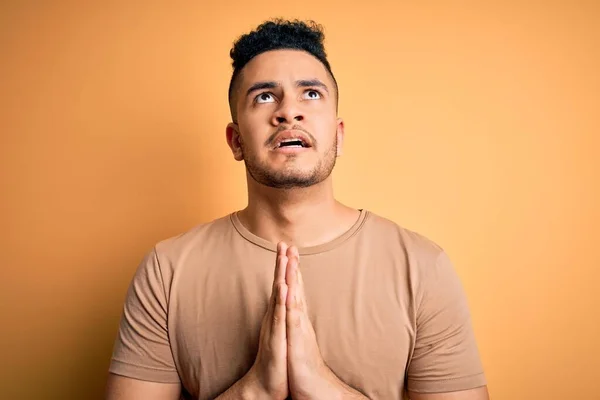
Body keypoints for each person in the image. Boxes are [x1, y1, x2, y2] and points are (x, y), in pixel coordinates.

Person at [105, 19, 489, 400]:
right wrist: (254, 390)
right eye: (265, 97)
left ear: (338, 136)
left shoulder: (422, 268)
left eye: (311, 94)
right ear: (236, 140)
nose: (289, 112)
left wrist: (323, 386)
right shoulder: (166, 271)